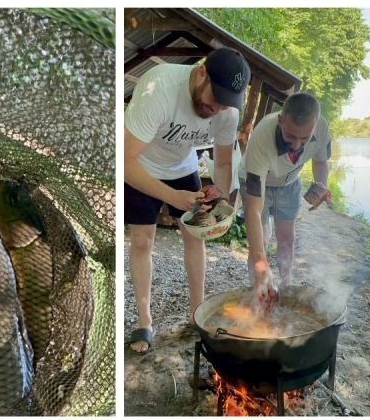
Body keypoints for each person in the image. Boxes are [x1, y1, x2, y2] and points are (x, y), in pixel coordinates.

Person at [124, 47, 251, 354]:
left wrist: (219, 199)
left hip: (184, 167)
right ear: (201, 73)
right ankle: (145, 320)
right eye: (214, 99)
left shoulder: (227, 111)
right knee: (142, 242)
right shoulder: (160, 88)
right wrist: (171, 198)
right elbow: (125, 160)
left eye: (225, 104)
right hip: (141, 165)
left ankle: (198, 312)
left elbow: (222, 164)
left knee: (195, 238)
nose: (217, 109)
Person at [239, 92, 331, 310]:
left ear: (315, 125)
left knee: (287, 237)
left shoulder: (322, 128)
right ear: (281, 120)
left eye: (304, 139)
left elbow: (320, 162)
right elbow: (253, 209)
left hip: (289, 183)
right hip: (257, 182)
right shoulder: (262, 137)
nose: (297, 145)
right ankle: (260, 288)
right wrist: (262, 262)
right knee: (260, 241)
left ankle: (286, 286)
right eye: (290, 137)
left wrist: (320, 186)